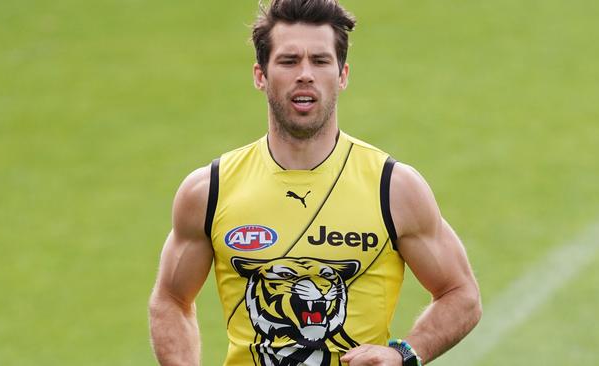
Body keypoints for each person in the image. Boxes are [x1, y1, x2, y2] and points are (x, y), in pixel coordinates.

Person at [148, 0, 482, 365]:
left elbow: (460, 293)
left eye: (320, 61)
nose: (305, 74)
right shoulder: (210, 190)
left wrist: (403, 354)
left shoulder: (394, 187)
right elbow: (171, 300)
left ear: (342, 75)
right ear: (260, 75)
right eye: (289, 61)